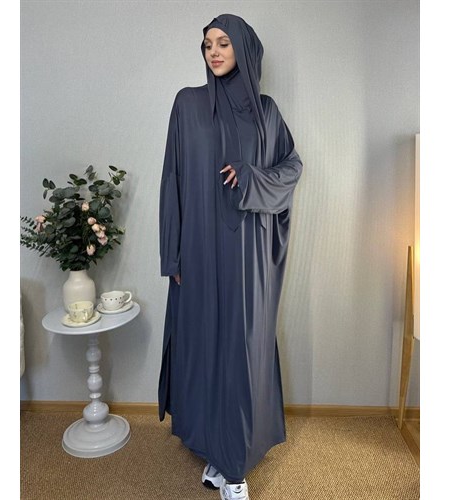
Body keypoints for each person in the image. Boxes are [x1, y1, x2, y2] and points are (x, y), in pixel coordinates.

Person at [159, 14, 303, 500]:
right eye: (207, 44)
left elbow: (291, 168)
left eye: (223, 42)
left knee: (241, 351)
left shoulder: (267, 112)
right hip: (199, 249)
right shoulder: (187, 104)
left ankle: (234, 465)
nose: (214, 52)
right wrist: (172, 255)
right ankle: (216, 451)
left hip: (247, 255)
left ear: (243, 48)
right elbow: (172, 180)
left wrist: (251, 176)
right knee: (205, 347)